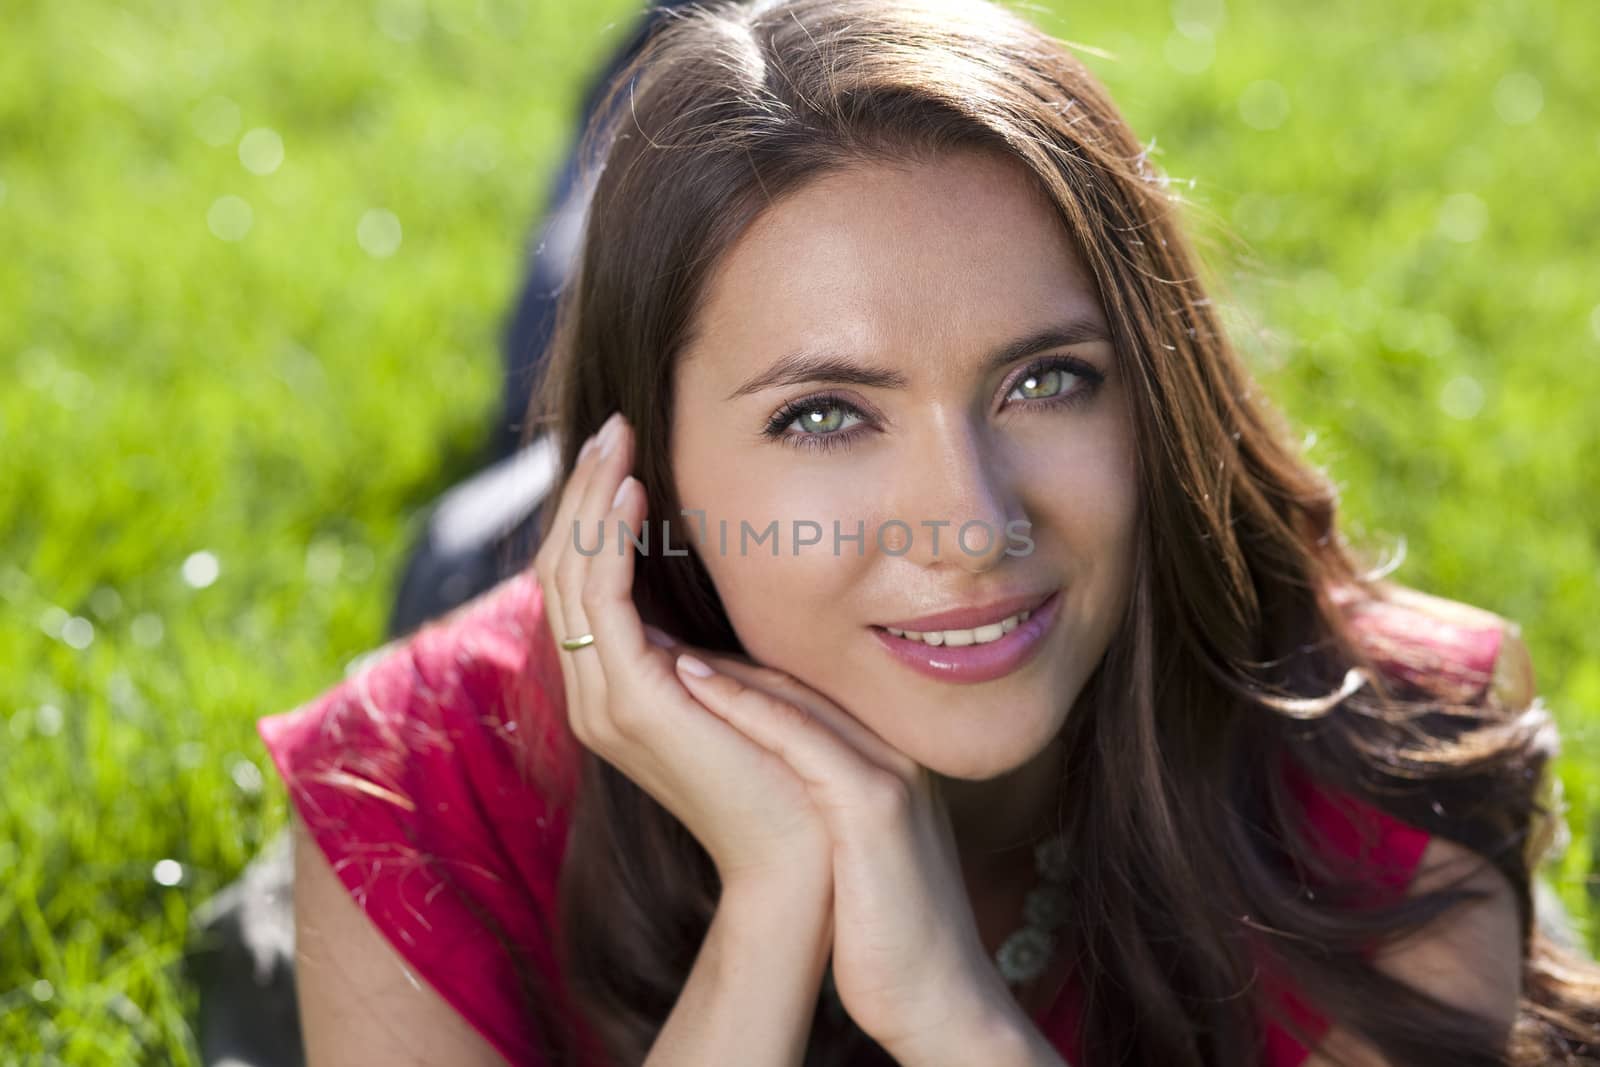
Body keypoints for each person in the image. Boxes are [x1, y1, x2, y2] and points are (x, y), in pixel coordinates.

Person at [255, 0, 1600, 1063]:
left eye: (1047, 379)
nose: (970, 525)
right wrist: (773, 902)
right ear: (649, 477)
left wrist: (957, 1020)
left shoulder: (1395, 736)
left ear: (1157, 390)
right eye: (828, 416)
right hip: (575, 558)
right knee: (537, 405)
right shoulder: (414, 778)